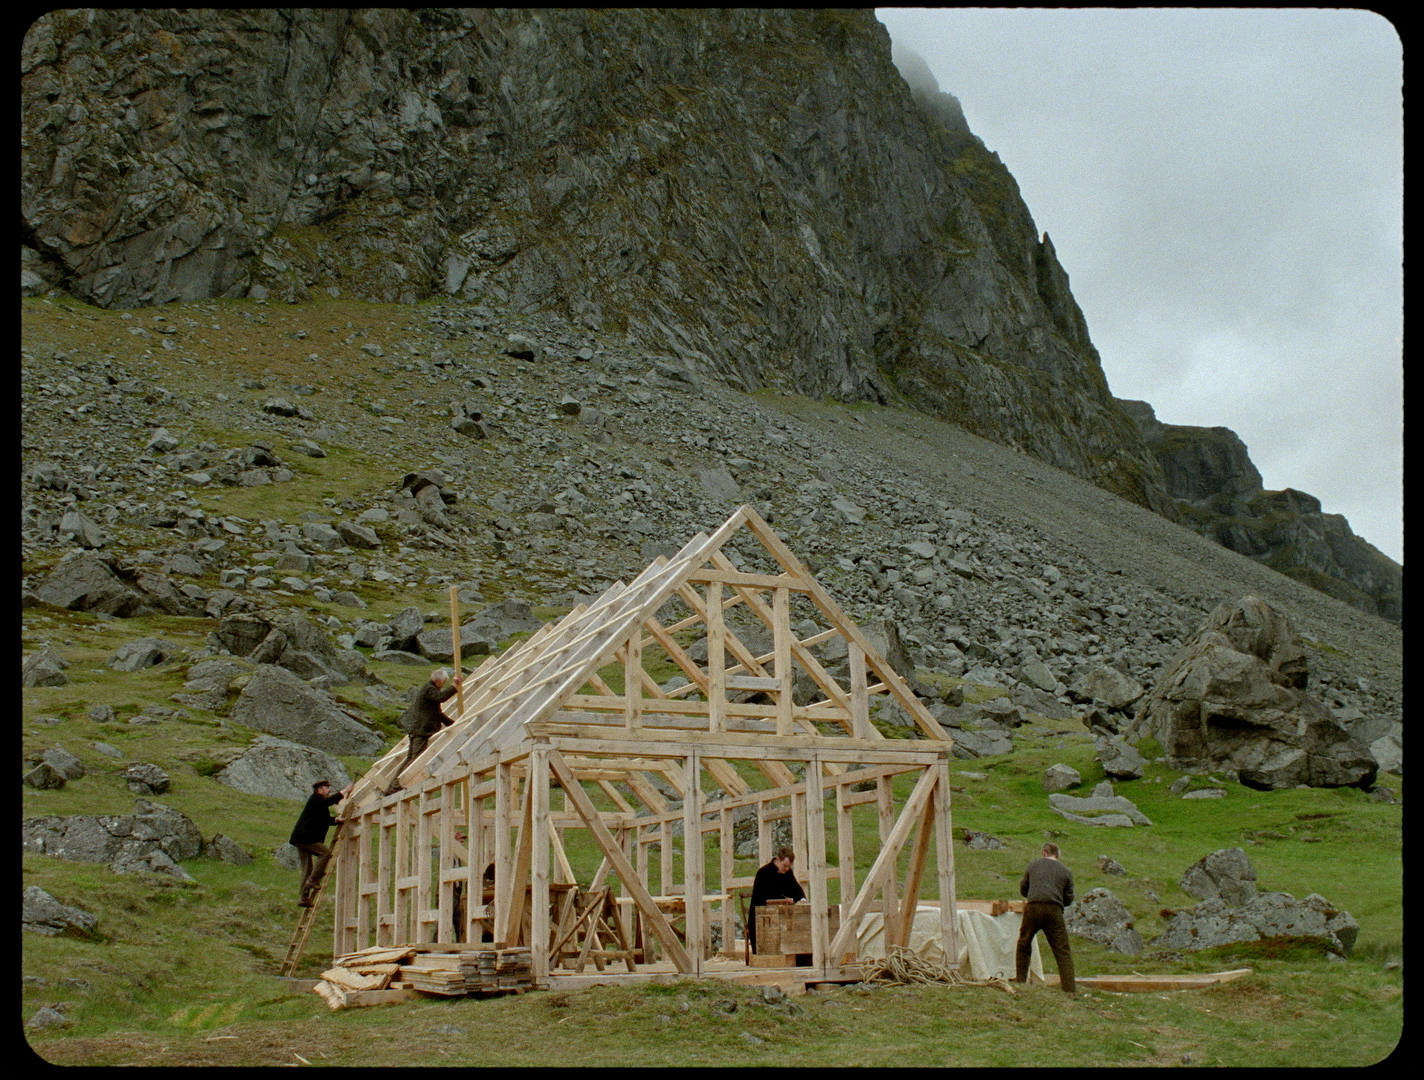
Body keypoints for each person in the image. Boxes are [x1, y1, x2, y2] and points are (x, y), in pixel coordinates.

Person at [384, 667, 463, 795]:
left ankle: (393, 786)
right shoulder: (429, 689)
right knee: (415, 759)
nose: (444, 685)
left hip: (418, 730)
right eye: (444, 682)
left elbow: (438, 714)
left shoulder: (430, 690)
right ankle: (396, 786)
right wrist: (455, 685)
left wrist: (454, 724)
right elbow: (441, 698)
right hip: (421, 731)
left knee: (410, 758)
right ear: (438, 680)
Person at [1014, 842, 1076, 993]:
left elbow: (1023, 889)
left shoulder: (1033, 865)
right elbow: (1068, 899)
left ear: (1044, 853)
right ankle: (1069, 989)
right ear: (1057, 855)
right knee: (1062, 950)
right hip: (1054, 911)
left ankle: (1021, 983)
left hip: (1034, 908)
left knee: (1024, 944)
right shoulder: (1065, 871)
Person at [290, 779, 353, 907]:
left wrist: (336, 820)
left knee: (307, 869)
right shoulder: (316, 799)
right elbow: (328, 802)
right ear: (319, 790)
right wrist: (344, 791)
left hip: (301, 838)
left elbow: (323, 819)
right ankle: (313, 880)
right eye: (326, 788)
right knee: (325, 853)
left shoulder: (318, 803)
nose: (329, 790)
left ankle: (303, 897)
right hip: (305, 838)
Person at [747, 846, 806, 953]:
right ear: (778, 859)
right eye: (785, 866)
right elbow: (766, 897)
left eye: (789, 867)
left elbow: (795, 888)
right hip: (762, 916)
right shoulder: (763, 873)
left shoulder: (787, 872)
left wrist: (801, 898)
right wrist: (784, 900)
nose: (787, 869)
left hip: (781, 916)